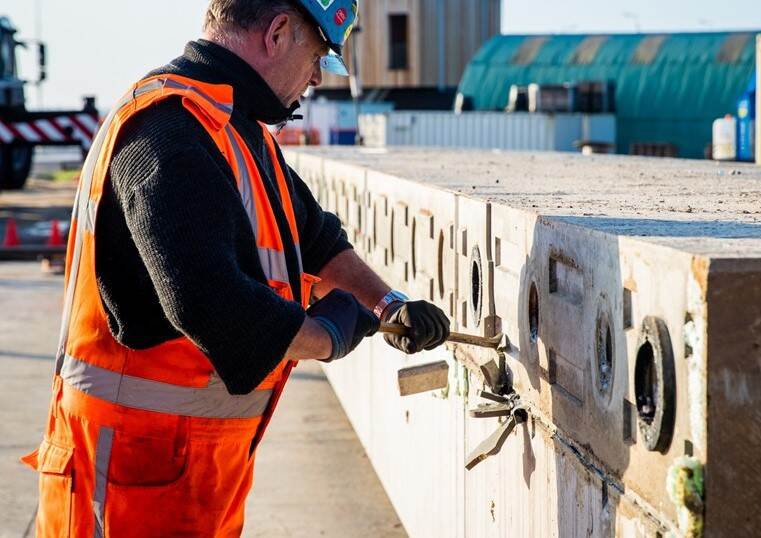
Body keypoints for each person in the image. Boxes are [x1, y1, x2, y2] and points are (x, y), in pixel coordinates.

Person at [21, 1, 450, 535]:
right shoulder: (169, 134)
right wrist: (327, 337)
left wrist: (389, 305)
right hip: (125, 482)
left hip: (183, 475)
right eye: (318, 56)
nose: (317, 77)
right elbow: (207, 302)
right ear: (277, 34)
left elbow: (315, 239)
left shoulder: (236, 131)